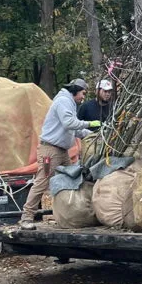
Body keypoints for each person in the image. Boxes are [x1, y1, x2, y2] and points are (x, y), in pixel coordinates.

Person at [20, 79, 101, 230]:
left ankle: (67, 215)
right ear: (75, 90)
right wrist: (90, 123)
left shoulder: (69, 103)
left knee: (70, 180)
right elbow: (69, 123)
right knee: (42, 182)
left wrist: (93, 134)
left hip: (62, 151)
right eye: (83, 93)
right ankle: (26, 217)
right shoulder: (63, 101)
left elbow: (75, 129)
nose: (83, 97)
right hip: (50, 151)